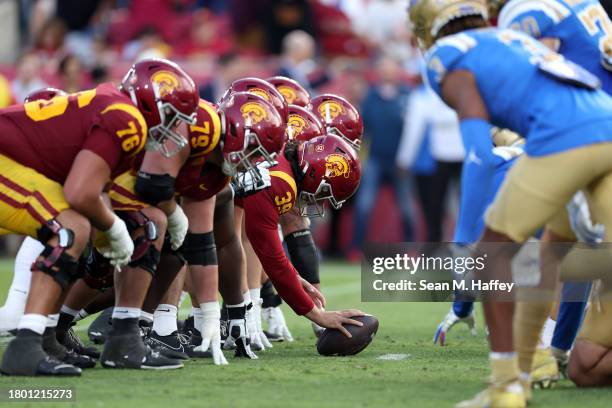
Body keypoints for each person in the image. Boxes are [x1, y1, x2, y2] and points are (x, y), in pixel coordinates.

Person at [408, 1, 612, 407]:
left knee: (493, 255)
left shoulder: (448, 57)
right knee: (557, 247)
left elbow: (480, 154)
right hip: (604, 123)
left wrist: (467, 241)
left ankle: (507, 387)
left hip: (563, 140)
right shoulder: (516, 39)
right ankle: (532, 360)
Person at [348, 55, 413, 258]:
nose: (386, 72)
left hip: (400, 159)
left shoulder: (407, 95)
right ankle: (356, 248)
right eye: (383, 68)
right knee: (364, 205)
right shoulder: (370, 95)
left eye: (390, 67)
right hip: (375, 157)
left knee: (407, 208)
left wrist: (407, 158)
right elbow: (362, 129)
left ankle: (410, 250)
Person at [396, 83, 464, 242]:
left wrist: (404, 159)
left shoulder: (423, 94)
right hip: (449, 153)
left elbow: (413, 129)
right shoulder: (424, 94)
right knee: (457, 204)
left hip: (440, 154)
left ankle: (438, 245)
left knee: (435, 207)